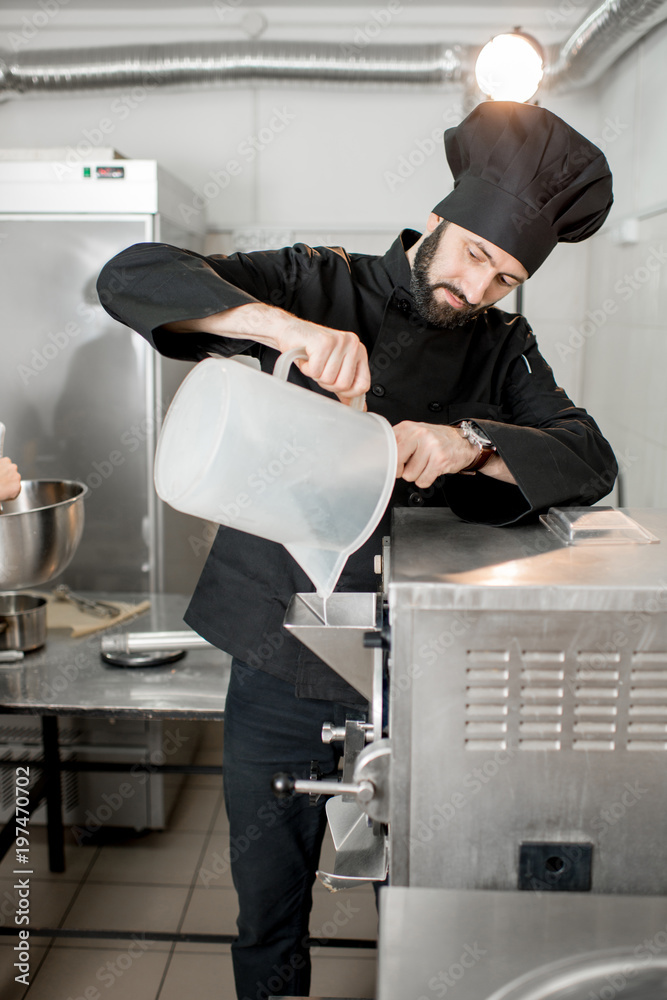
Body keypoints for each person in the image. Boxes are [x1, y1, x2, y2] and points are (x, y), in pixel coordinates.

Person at [97, 100, 617, 1000]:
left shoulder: (502, 350)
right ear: (443, 218)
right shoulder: (315, 280)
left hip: (420, 663)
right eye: (473, 258)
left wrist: (471, 445)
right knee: (268, 900)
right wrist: (280, 330)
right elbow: (132, 274)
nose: (477, 289)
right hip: (277, 644)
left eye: (502, 278)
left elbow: (590, 456)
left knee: (414, 894)